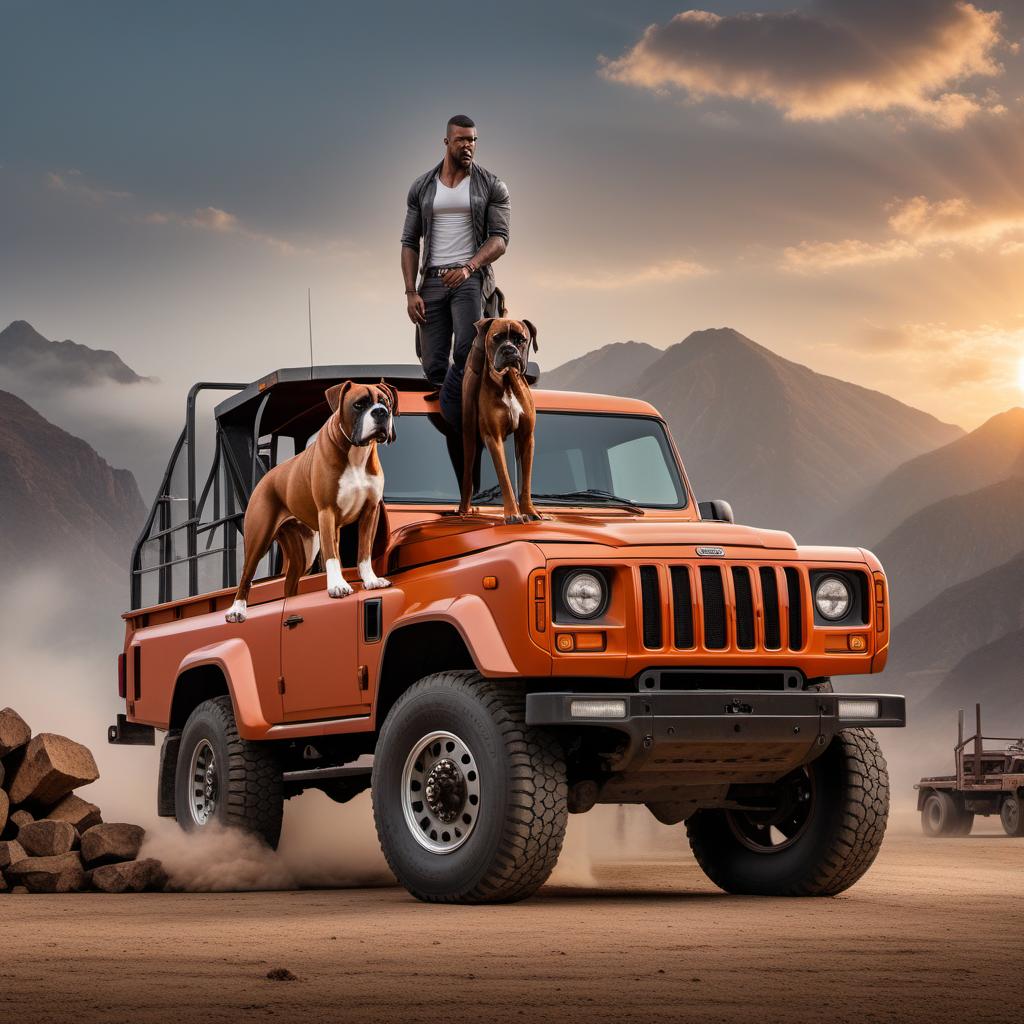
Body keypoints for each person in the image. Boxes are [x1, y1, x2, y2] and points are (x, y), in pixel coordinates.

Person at [400, 114, 510, 428]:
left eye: (473, 140)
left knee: (466, 350)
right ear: (447, 142)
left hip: (470, 279)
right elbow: (409, 240)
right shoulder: (422, 187)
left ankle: (463, 417)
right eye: (462, 139)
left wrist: (468, 267)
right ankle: (447, 426)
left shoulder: (492, 185)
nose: (468, 146)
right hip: (431, 281)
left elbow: (500, 239)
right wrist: (411, 292)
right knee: (433, 363)